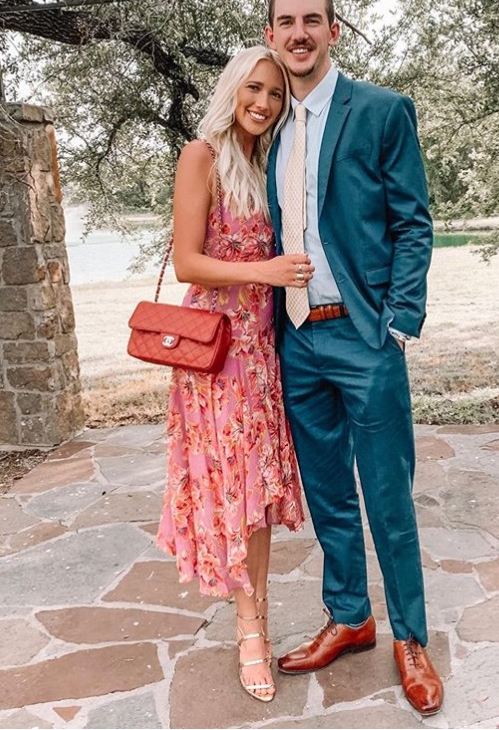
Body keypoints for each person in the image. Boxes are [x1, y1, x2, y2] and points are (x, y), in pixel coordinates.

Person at [264, 0, 444, 715]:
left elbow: (413, 222)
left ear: (333, 30)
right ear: (271, 36)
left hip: (364, 334)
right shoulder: (265, 124)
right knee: (329, 494)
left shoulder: (380, 110)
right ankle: (349, 616)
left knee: (387, 496)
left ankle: (411, 637)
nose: (299, 33)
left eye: (312, 20)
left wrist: (398, 322)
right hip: (296, 338)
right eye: (286, 22)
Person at [156, 45, 314, 703]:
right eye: (254, 88)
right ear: (232, 90)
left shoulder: (266, 161)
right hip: (216, 359)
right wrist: (265, 272)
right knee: (238, 492)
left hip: (262, 354)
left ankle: (257, 615)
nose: (264, 102)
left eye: (275, 93)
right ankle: (250, 631)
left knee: (258, 495)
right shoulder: (203, 155)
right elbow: (187, 263)